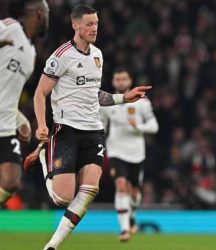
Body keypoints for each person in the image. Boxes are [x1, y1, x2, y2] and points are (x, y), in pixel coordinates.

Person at [33, 5, 151, 250]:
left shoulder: (97, 55)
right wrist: (42, 124)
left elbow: (92, 95)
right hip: (66, 129)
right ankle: (45, 160)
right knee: (62, 198)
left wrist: (123, 98)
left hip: (94, 130)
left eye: (96, 23)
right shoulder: (61, 56)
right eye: (89, 24)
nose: (94, 28)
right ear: (75, 25)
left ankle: (51, 246)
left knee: (90, 189)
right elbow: (40, 92)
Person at [0, 0, 49, 207]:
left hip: (4, 123)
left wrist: (21, 120)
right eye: (47, 12)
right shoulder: (9, 27)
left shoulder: (31, 55)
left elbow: (7, 93)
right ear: (39, 13)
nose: (48, 18)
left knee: (10, 181)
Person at [100, 68, 159, 241]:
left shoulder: (142, 102)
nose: (120, 82)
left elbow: (154, 126)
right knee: (120, 186)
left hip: (137, 153)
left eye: (124, 79)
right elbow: (101, 128)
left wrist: (138, 127)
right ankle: (124, 229)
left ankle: (131, 215)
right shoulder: (107, 104)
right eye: (117, 79)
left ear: (130, 81)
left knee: (135, 194)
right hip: (116, 151)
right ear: (113, 82)